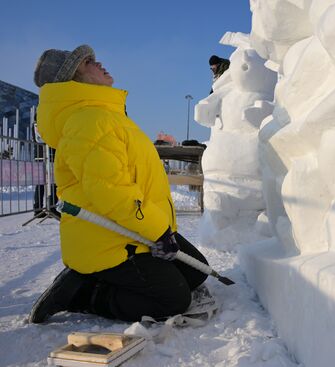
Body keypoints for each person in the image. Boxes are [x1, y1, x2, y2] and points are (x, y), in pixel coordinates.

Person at [29, 44, 209, 323]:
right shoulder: (88, 122)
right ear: (72, 79)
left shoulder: (105, 115)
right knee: (173, 300)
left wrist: (160, 229)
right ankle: (83, 291)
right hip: (108, 238)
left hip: (132, 228)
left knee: (197, 272)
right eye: (88, 62)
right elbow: (112, 193)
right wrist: (159, 231)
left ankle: (110, 278)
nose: (99, 64)